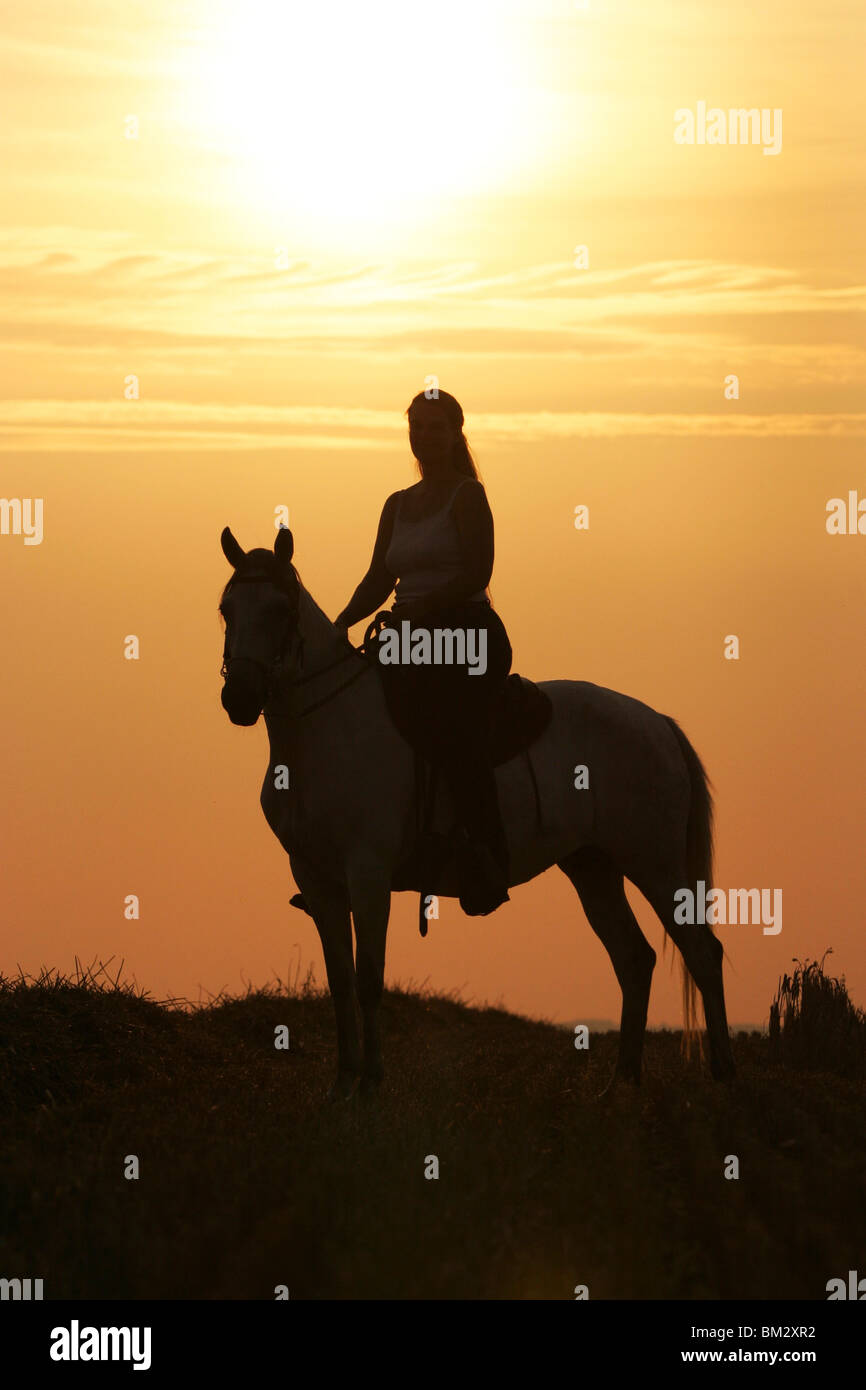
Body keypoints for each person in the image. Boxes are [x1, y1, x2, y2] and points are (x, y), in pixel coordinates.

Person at [334, 390, 512, 915]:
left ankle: (481, 852)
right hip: (409, 636)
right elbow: (378, 579)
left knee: (449, 727)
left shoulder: (468, 497)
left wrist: (420, 611)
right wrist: (340, 623)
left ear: (457, 433)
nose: (425, 436)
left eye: (436, 427)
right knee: (355, 715)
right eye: (417, 427)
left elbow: (477, 573)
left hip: (466, 633)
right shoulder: (397, 503)